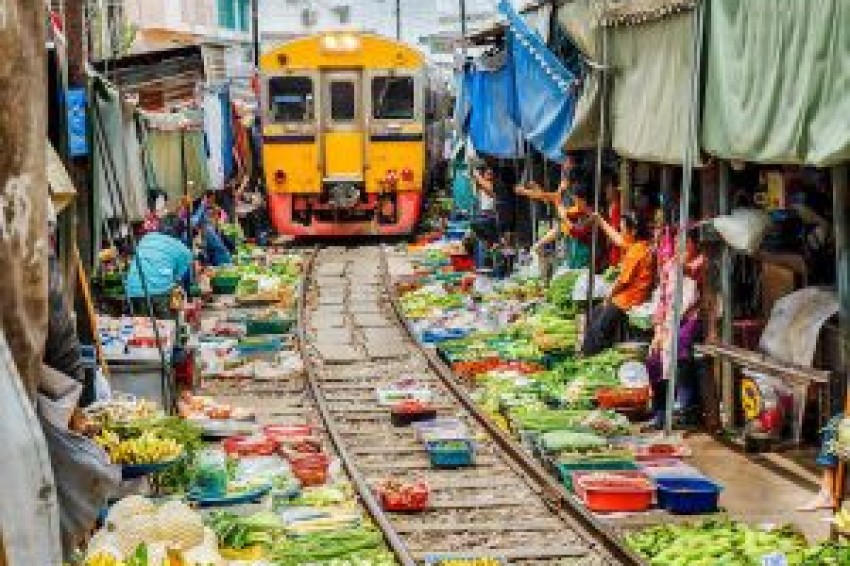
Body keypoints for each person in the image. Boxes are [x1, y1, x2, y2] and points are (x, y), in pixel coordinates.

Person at [582, 211, 654, 355]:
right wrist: (600, 220)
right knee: (595, 313)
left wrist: (608, 297)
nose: (622, 233)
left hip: (629, 299)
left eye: (623, 229)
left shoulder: (637, 251)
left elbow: (622, 281)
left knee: (598, 327)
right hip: (627, 297)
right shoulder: (639, 245)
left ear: (633, 231)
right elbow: (618, 239)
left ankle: (592, 355)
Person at [124, 229, 194, 318]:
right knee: (166, 325)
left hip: (133, 289)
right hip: (159, 291)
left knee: (142, 325)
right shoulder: (183, 249)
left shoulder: (146, 238)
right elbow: (178, 275)